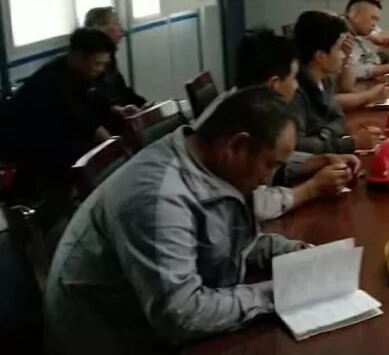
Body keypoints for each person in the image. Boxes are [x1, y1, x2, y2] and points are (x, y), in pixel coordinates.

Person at [44, 88, 310, 354]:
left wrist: (292, 253)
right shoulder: (159, 196)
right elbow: (182, 316)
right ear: (237, 146)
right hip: (110, 342)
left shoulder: (210, 168)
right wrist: (280, 293)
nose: (269, 180)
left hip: (149, 325)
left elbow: (221, 242)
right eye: (271, 165)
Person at [196, 29, 359, 220]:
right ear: (273, 84)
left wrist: (321, 160)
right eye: (294, 78)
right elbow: (251, 204)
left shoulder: (242, 103)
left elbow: (271, 156)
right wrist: (312, 188)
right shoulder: (239, 125)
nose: (296, 86)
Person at [8, 29, 116, 207]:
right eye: (97, 64)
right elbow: (76, 114)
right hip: (31, 150)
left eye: (104, 64)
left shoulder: (83, 73)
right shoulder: (51, 80)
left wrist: (115, 110)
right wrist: (110, 143)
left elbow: (95, 101)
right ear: (77, 57)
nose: (100, 69)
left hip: (58, 142)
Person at [290, 11, 386, 154]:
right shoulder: (294, 91)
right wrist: (351, 143)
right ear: (320, 56)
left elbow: (339, 118)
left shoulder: (325, 79)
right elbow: (297, 145)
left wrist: (324, 135)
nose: (343, 55)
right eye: (339, 48)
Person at [83, 6, 147, 119]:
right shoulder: (88, 62)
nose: (121, 29)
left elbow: (121, 90)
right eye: (116, 23)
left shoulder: (110, 57)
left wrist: (144, 105)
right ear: (99, 29)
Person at [340, 0, 389, 91]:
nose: (374, 25)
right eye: (373, 18)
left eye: (376, 20)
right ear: (354, 15)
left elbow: (369, 60)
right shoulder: (339, 35)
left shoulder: (357, 33)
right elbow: (355, 71)